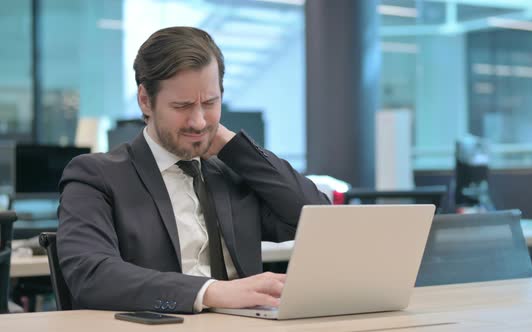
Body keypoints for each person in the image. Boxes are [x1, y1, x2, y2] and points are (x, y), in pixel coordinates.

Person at [57, 26, 330, 314]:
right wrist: (211, 292)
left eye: (210, 103)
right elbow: (91, 275)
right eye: (182, 106)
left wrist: (236, 147)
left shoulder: (231, 173)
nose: (199, 122)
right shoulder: (97, 176)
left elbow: (318, 220)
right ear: (145, 100)